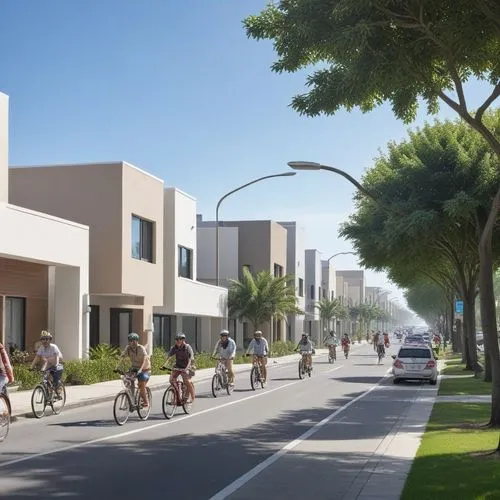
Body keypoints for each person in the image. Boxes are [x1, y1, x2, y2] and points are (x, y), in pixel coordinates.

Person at [118, 332, 151, 407]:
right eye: (130, 340)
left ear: (137, 341)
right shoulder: (128, 348)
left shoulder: (141, 348)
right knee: (127, 380)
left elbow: (145, 359)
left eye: (133, 340)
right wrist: (117, 367)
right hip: (134, 368)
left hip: (145, 369)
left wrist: (141, 369)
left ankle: (146, 402)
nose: (132, 342)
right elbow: (122, 357)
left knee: (141, 385)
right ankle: (132, 398)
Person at [164, 333, 196, 403]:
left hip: (189, 366)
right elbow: (169, 357)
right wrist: (164, 365)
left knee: (186, 381)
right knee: (171, 380)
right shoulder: (174, 347)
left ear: (183, 340)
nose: (178, 341)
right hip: (178, 366)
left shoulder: (187, 347)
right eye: (177, 339)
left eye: (180, 339)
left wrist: (186, 368)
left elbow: (191, 360)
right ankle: (176, 394)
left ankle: (192, 397)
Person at [31, 331, 64, 398]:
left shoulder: (53, 347)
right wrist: (31, 367)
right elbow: (37, 358)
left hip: (57, 364)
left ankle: (59, 392)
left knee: (55, 381)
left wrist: (56, 365)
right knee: (46, 377)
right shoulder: (41, 348)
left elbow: (57, 358)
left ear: (49, 340)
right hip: (48, 365)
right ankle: (49, 392)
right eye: (43, 339)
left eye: (46, 339)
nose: (45, 341)